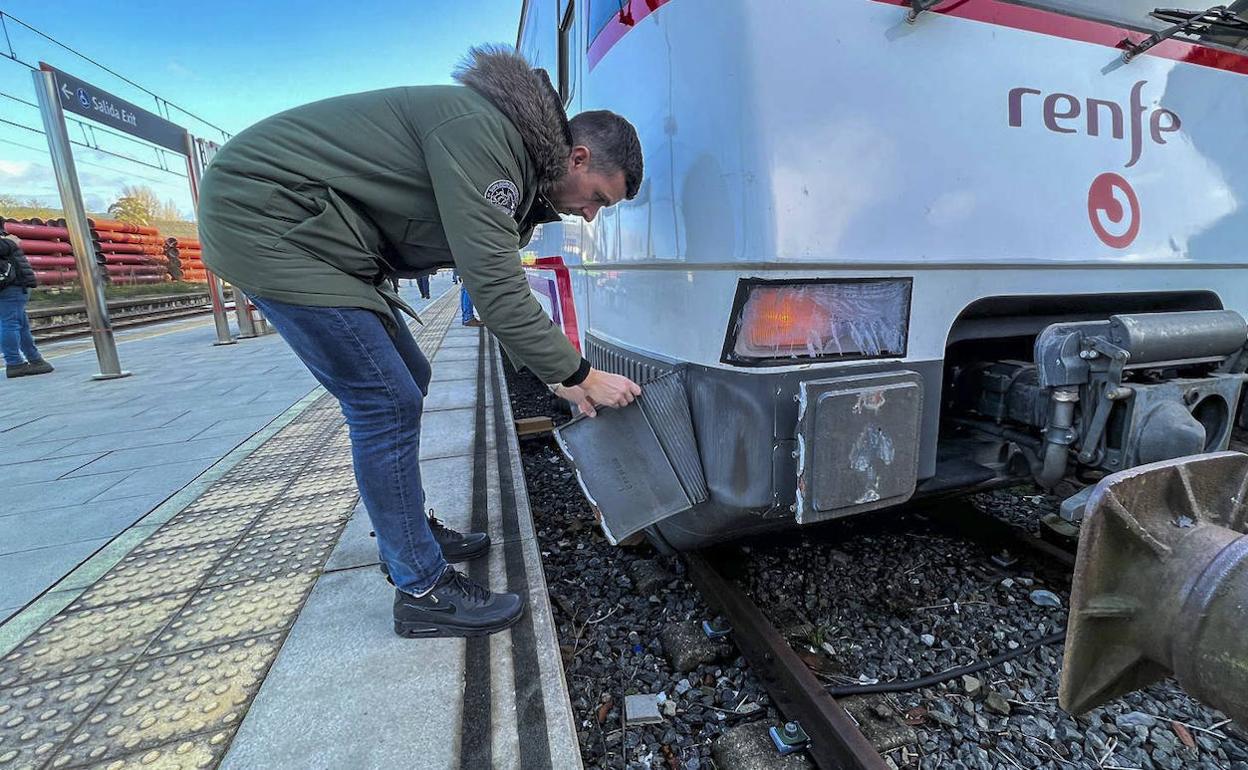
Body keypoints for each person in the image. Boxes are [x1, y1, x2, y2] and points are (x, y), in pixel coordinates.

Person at [198, 46, 643, 638]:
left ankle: (407, 531)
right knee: (385, 400)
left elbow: (497, 286)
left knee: (409, 376)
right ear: (578, 156)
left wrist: (559, 377)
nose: (589, 216)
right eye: (598, 199)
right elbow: (497, 293)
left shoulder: (511, 153)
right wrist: (583, 374)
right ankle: (422, 588)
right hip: (269, 222)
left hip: (319, 235)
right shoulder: (488, 141)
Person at [0, 237, 53, 379]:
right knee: (10, 324)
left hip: (11, 285)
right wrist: (11, 242)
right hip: (9, 285)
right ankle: (14, 363)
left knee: (20, 324)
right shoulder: (7, 242)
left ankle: (34, 358)